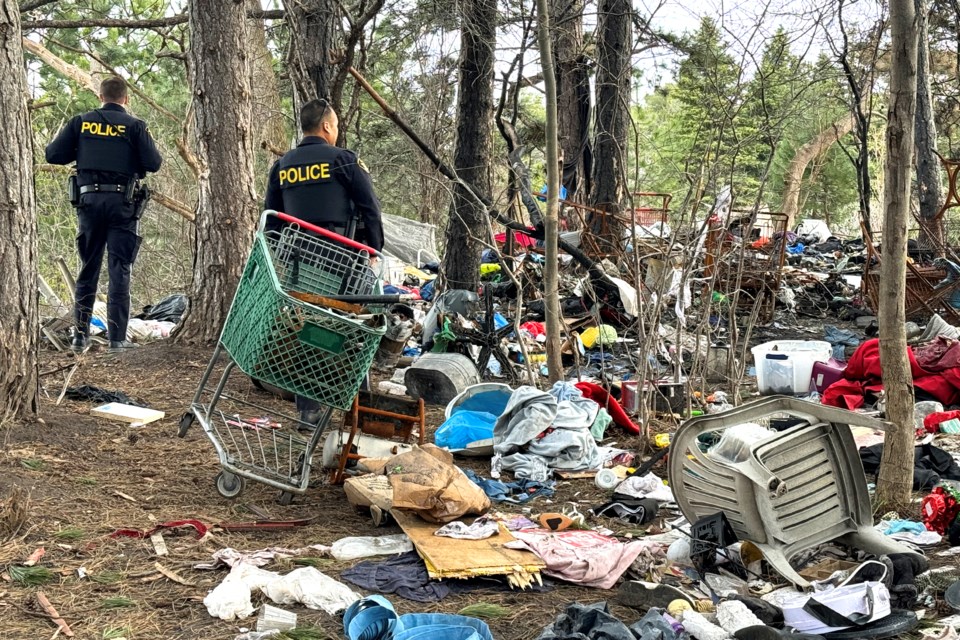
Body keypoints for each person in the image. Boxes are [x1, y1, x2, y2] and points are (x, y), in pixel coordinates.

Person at [264, 98, 384, 427]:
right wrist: (375, 251)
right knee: (354, 328)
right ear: (327, 126)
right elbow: (370, 208)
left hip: (302, 263)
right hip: (343, 259)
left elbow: (271, 220)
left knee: (310, 328)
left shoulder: (283, 165)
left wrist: (279, 260)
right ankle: (356, 408)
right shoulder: (344, 160)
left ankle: (308, 412)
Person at [46, 76, 162, 354]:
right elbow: (154, 163)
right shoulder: (135, 126)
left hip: (89, 202)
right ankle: (117, 339)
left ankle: (80, 336)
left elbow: (53, 154)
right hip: (122, 204)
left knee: (89, 268)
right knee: (119, 268)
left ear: (100, 96)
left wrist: (81, 149)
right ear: (126, 99)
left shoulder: (81, 122)